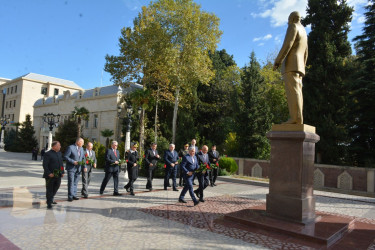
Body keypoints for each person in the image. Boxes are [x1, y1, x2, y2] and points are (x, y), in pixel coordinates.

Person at [273, 11, 308, 125]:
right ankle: (298, 118)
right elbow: (306, 52)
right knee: (298, 92)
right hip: (299, 66)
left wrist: (278, 61)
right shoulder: (304, 31)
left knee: (293, 92)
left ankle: (295, 119)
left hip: (291, 64)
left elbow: (287, 45)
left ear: (291, 19)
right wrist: (303, 65)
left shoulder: (293, 27)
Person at [43, 141, 64, 209]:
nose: (60, 147)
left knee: (57, 186)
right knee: (49, 188)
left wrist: (62, 171)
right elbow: (45, 165)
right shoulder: (47, 154)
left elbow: (61, 164)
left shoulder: (59, 153)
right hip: (50, 175)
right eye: (59, 145)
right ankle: (49, 203)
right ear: (54, 146)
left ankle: (51, 198)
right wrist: (49, 173)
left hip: (58, 174)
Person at [64, 138, 85, 202]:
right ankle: (70, 196)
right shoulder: (70, 147)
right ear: (78, 142)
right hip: (71, 168)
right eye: (82, 142)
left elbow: (83, 158)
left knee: (75, 182)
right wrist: (73, 162)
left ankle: (74, 195)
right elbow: (66, 156)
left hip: (78, 168)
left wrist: (84, 166)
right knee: (71, 182)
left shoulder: (81, 149)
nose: (83, 144)